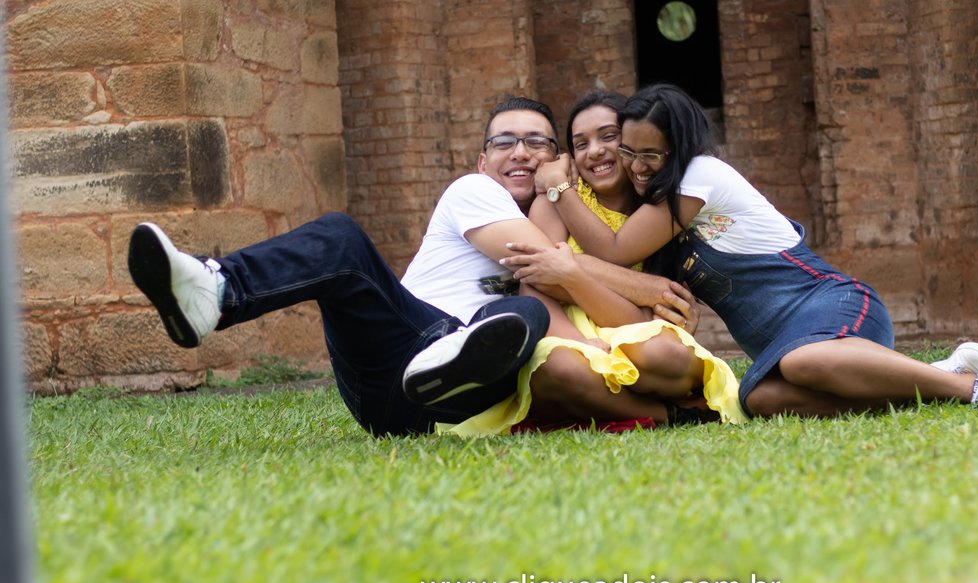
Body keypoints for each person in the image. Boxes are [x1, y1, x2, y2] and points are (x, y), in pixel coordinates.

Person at [128, 97, 696, 437]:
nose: (521, 152)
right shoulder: (474, 192)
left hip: (442, 407)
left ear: (559, 163)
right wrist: (644, 284)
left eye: (538, 143)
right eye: (505, 142)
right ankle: (218, 290)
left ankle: (457, 362)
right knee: (342, 238)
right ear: (482, 160)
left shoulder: (563, 224)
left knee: (520, 310)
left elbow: (561, 284)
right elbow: (543, 262)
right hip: (397, 355)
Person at [505, 83, 978, 419]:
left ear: (678, 148)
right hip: (785, 345)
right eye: (632, 151)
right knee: (757, 401)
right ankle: (918, 379)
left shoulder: (701, 177)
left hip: (833, 306)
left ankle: (974, 388)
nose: (639, 163)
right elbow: (634, 279)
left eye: (651, 152)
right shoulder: (657, 213)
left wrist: (558, 190)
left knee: (801, 359)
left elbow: (614, 252)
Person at [445, 91, 745, 435]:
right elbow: (531, 283)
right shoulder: (553, 200)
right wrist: (580, 342)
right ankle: (667, 412)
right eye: (581, 143)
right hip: (568, 328)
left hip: (635, 331)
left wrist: (573, 273)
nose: (595, 151)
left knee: (667, 356)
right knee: (558, 369)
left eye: (608, 136)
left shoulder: (657, 211)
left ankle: (612, 396)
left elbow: (659, 311)